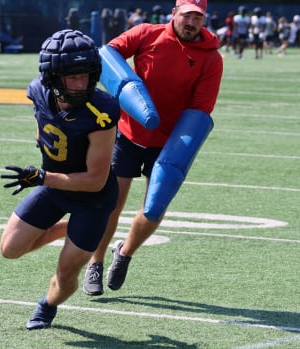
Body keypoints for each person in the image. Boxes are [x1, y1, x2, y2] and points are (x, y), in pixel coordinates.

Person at [81, 0, 223, 296]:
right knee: (111, 205)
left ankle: (125, 253)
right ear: (174, 14)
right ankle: (95, 262)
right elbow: (109, 55)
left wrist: (179, 149)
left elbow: (201, 109)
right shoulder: (146, 33)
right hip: (128, 135)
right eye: (187, 16)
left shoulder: (211, 58)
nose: (191, 23)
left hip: (168, 145)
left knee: (154, 209)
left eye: (198, 18)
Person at [0, 29, 120, 330]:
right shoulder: (38, 92)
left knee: (66, 274)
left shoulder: (101, 113)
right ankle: (68, 231)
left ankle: (47, 307)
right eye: (73, 77)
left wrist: (42, 176)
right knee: (10, 249)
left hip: (93, 199)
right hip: (54, 187)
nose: (82, 84)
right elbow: (43, 127)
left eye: (86, 76)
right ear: (53, 77)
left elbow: (95, 180)